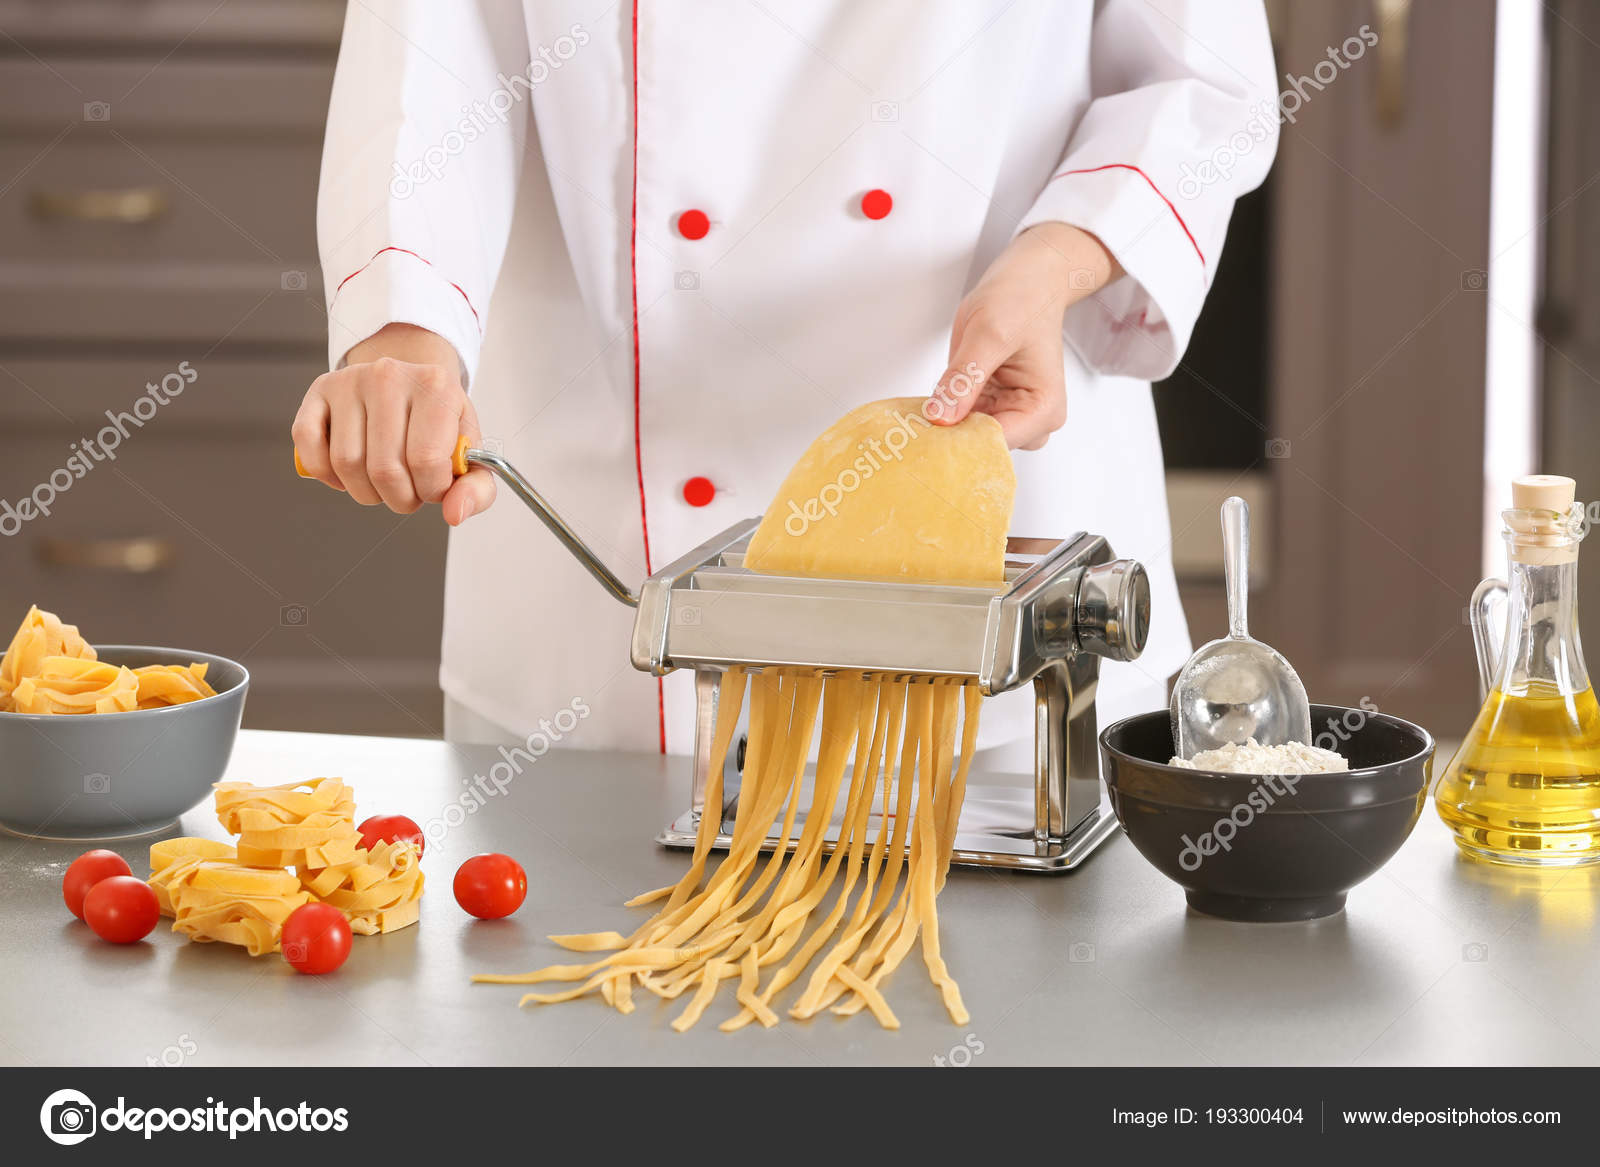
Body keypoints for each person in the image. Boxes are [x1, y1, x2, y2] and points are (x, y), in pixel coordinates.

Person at [294, 2, 1278, 760]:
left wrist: (1057, 259)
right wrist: (405, 324)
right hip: (596, 605)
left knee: (1010, 993)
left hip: (997, 563)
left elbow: (1198, 79)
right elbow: (433, 47)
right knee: (568, 988)